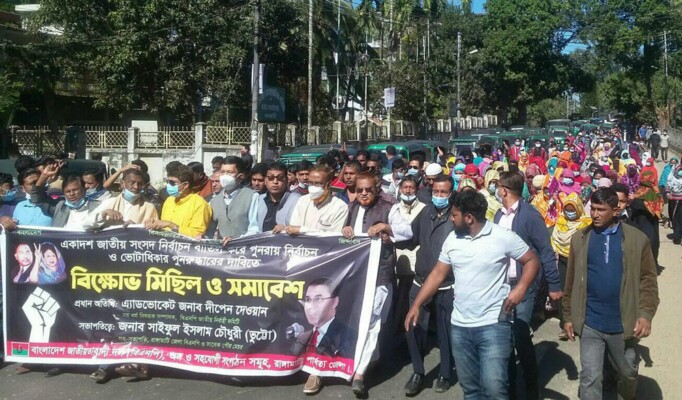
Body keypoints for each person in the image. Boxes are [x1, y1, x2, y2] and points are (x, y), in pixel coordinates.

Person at [406, 190, 540, 400]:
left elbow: (531, 260)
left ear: (469, 218)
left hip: (494, 325)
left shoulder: (502, 237)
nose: (451, 219)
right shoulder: (452, 239)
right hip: (460, 327)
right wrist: (417, 304)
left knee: (494, 388)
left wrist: (520, 289)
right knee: (471, 390)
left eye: (454, 215)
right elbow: (438, 273)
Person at [562, 187, 659, 400]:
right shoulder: (580, 239)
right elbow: (570, 282)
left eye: (601, 210)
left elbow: (648, 281)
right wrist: (567, 316)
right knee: (590, 377)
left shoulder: (637, 240)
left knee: (627, 373)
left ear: (616, 211)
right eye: (593, 208)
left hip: (622, 323)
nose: (595, 214)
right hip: (590, 323)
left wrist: (645, 314)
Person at [341, 171, 412, 396]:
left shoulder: (389, 208)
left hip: (380, 275)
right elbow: (341, 236)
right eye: (359, 190)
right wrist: (345, 230)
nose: (363, 194)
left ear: (377, 188)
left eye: (368, 190)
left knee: (373, 320)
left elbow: (407, 231)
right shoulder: (352, 208)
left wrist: (386, 228)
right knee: (358, 321)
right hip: (356, 276)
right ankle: (372, 358)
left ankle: (360, 374)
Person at [494, 171, 561, 400]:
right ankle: (510, 388)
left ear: (504, 190)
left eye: (498, 186)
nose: (497, 190)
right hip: (502, 285)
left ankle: (531, 386)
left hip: (524, 285)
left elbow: (545, 250)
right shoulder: (498, 216)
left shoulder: (530, 216)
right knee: (505, 339)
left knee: (521, 336)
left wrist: (554, 285)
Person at [403, 174, 455, 395]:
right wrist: (387, 235)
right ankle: (418, 371)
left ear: (451, 193)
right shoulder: (425, 212)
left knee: (445, 331)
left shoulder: (457, 216)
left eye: (444, 192)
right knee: (413, 327)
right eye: (436, 192)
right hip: (421, 280)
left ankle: (445, 373)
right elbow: (411, 238)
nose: (439, 196)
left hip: (447, 284)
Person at [550, 193, 592, 341]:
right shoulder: (561, 221)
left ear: (578, 209)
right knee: (564, 291)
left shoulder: (587, 224)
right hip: (563, 260)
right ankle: (565, 324)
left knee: (580, 293)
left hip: (580, 261)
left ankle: (581, 325)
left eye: (572, 209)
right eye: (567, 209)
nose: (569, 212)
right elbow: (555, 240)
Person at [292, 278, 356, 359]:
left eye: (318, 299)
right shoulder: (301, 339)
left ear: (335, 302)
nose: (310, 307)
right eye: (308, 300)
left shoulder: (348, 336)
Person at [144, 164, 212, 238]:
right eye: (167, 182)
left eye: (172, 183)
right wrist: (154, 223)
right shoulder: (169, 200)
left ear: (185, 185)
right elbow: (163, 227)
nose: (168, 185)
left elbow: (197, 234)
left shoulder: (200, 204)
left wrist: (171, 225)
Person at [83, 169, 159, 231]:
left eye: (139, 184)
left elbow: (154, 234)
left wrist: (136, 228)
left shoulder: (149, 207)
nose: (136, 187)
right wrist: (103, 214)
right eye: (132, 183)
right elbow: (85, 225)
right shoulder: (109, 203)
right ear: (122, 184)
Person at [31, 164, 101, 230]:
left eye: (75, 190)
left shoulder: (97, 206)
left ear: (84, 189)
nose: (72, 194)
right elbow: (37, 199)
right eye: (68, 191)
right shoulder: (59, 206)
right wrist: (44, 176)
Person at [286, 164, 348, 236]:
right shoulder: (302, 201)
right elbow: (293, 228)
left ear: (328, 185)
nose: (313, 187)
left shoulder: (340, 207)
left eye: (318, 184)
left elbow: (333, 236)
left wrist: (302, 230)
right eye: (310, 183)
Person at [207, 156, 258, 241]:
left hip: (244, 246)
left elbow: (255, 229)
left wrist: (236, 239)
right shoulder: (214, 201)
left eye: (230, 172)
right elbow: (209, 231)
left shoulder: (251, 196)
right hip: (222, 247)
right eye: (222, 172)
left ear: (241, 176)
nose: (225, 176)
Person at [614, 182, 662, 265]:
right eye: (615, 201)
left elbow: (649, 241)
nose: (618, 205)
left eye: (622, 201)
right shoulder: (600, 220)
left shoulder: (639, 212)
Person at [247, 162, 301, 234]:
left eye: (280, 178)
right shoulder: (259, 200)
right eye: (271, 178)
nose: (275, 182)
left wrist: (285, 229)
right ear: (265, 180)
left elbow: (302, 228)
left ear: (286, 180)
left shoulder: (297, 200)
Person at [666, 164, 682, 244]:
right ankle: (677, 237)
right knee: (675, 218)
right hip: (674, 199)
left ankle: (678, 237)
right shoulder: (675, 169)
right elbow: (669, 181)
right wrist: (668, 192)